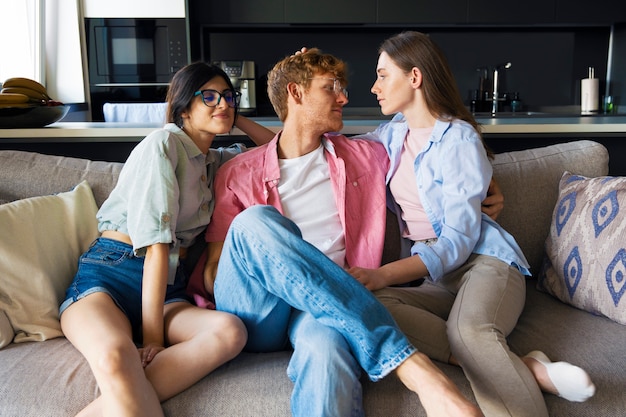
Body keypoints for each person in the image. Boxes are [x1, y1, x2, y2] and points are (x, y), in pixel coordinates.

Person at [188, 48, 482, 417]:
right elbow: (215, 270)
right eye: (331, 88)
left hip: (327, 310)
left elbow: (432, 144)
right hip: (258, 309)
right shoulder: (237, 173)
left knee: (327, 350)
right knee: (256, 221)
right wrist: (280, 265)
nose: (344, 97)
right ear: (295, 94)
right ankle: (413, 368)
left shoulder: (366, 154)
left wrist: (486, 183)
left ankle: (388, 353)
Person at [346, 31, 595, 417]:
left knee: (469, 333)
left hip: (484, 263)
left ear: (414, 77)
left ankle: (499, 365)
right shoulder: (392, 134)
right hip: (440, 281)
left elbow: (459, 242)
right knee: (368, 305)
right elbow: (321, 145)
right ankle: (524, 367)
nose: (374, 86)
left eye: (382, 75)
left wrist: (383, 273)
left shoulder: (458, 139)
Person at [59, 62, 271, 417]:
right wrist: (154, 340)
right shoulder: (164, 143)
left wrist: (235, 118)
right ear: (184, 107)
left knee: (230, 331)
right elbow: (157, 247)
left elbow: (280, 150)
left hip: (169, 286)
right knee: (116, 355)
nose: (223, 103)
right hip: (111, 273)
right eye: (209, 96)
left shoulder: (214, 161)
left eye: (229, 97)